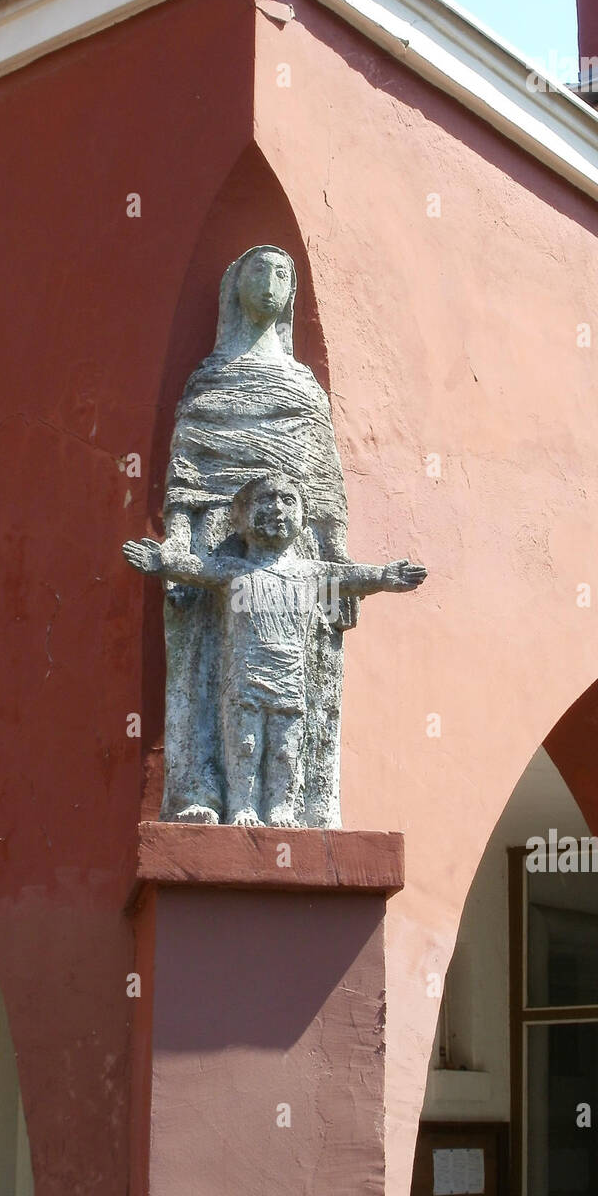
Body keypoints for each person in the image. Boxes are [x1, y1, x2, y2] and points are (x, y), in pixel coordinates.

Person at [156, 245, 354, 826]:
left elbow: (324, 478)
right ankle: (201, 788)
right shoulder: (211, 379)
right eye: (258, 271)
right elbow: (186, 471)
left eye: (283, 274)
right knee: (199, 663)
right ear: (234, 286)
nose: (271, 283)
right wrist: (175, 542)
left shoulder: (302, 387)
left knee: (299, 678)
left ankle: (299, 803)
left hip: (295, 545)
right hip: (213, 535)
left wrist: (338, 562)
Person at [124, 473, 426, 828]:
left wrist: (385, 576)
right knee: (245, 744)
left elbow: (351, 576)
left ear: (303, 517)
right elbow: (195, 568)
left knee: (286, 747)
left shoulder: (311, 572)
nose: (277, 509)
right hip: (245, 676)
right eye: (265, 500)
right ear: (239, 519)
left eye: (288, 500)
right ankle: (243, 806)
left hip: (290, 675)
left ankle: (281, 807)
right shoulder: (233, 571)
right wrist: (161, 562)